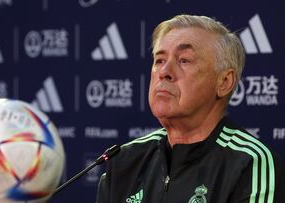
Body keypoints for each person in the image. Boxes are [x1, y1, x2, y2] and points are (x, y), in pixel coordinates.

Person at [96, 14, 285, 203]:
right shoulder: (125, 161)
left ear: (225, 81)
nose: (164, 72)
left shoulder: (250, 165)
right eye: (159, 60)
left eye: (184, 60)